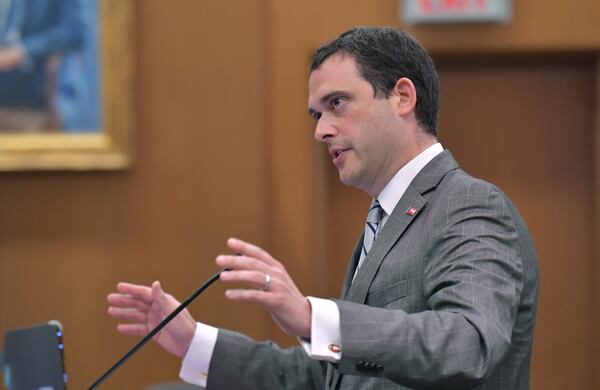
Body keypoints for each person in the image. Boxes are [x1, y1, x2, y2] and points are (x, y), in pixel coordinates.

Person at [107, 27, 540, 389]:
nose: (321, 131)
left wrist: (313, 317)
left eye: (337, 104)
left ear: (403, 97)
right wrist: (194, 342)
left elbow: (469, 343)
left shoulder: (468, 204)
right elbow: (330, 379)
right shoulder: (386, 221)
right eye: (316, 115)